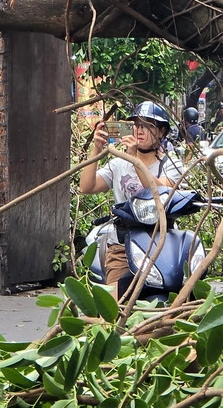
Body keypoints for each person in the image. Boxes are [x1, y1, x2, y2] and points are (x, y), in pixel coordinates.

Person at [79, 101, 185, 285]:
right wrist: (96, 147)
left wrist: (135, 159)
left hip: (160, 245)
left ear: (161, 132)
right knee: (113, 305)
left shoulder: (170, 165)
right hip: (121, 247)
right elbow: (86, 187)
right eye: (135, 125)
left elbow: (159, 192)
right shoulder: (118, 164)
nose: (139, 131)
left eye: (148, 126)